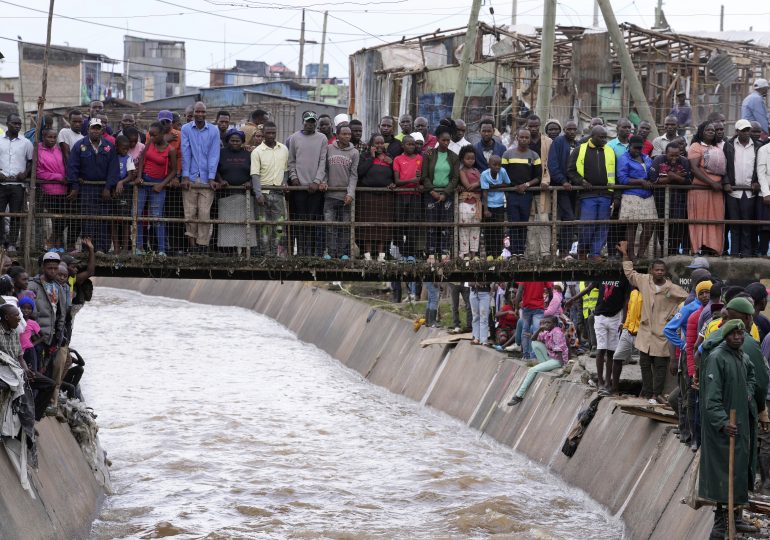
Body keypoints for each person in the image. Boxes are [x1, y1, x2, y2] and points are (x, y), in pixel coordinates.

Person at [698, 319, 757, 538]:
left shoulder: (742, 357)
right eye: (735, 335)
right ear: (726, 336)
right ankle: (721, 525)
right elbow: (711, 400)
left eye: (742, 334)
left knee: (738, 472)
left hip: (739, 426)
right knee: (723, 477)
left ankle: (736, 518)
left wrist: (748, 393)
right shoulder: (717, 358)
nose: (739, 338)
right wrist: (723, 422)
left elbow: (752, 376)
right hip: (723, 431)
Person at [619, 241, 687, 404]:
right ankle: (647, 392)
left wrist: (675, 315)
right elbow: (630, 273)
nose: (659, 272)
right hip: (645, 333)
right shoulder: (644, 281)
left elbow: (687, 298)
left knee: (660, 367)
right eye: (657, 270)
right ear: (652, 271)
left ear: (665, 272)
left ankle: (656, 394)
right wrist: (625, 254)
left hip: (662, 333)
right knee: (644, 365)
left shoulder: (672, 289)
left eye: (662, 270)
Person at [567, 277, 630, 395]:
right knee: (601, 349)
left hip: (616, 317)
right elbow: (589, 288)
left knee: (611, 352)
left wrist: (624, 320)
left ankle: (607, 383)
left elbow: (627, 299)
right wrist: (573, 299)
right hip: (600, 316)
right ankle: (600, 382)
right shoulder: (603, 275)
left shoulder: (623, 278)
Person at [66, 117, 119, 253]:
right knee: (87, 219)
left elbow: (114, 169)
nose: (95, 130)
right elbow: (72, 167)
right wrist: (76, 186)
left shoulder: (109, 146)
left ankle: (102, 248)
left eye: (98, 128)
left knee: (103, 219)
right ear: (88, 129)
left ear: (102, 130)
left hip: (103, 188)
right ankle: (87, 248)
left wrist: (108, 187)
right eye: (93, 128)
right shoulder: (79, 145)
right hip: (86, 188)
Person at [567, 126, 615, 260]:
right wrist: (581, 181)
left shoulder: (610, 151)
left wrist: (615, 195)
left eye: (605, 137)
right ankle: (582, 250)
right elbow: (570, 170)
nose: (604, 140)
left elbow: (614, 173)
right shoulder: (579, 150)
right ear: (592, 136)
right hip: (588, 195)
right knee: (587, 224)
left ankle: (595, 253)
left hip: (606, 194)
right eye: (601, 137)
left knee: (603, 224)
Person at [0, 303, 54, 421]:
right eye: (16, 315)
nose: (20, 318)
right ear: (6, 317)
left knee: (50, 384)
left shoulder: (14, 333)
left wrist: (25, 369)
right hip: (5, 373)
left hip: (17, 371)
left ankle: (34, 418)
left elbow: (20, 357)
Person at [181, 102, 222, 254]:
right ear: (193, 113)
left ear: (206, 113)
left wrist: (211, 177)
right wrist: (185, 176)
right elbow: (185, 152)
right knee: (190, 213)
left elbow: (214, 155)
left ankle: (203, 245)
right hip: (190, 177)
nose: (199, 114)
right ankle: (192, 245)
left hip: (206, 178)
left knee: (204, 213)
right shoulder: (186, 129)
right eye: (197, 111)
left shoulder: (213, 130)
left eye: (202, 112)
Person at [288, 111, 328, 257]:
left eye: (312, 122)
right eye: (307, 121)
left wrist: (317, 181)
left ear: (315, 123)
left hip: (315, 188)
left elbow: (323, 161)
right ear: (303, 122)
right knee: (300, 220)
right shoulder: (294, 138)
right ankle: (301, 251)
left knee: (312, 220)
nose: (310, 124)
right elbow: (291, 160)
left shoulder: (322, 138)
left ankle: (311, 252)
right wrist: (294, 178)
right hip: (299, 187)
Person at [507, 316, 569, 406]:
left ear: (555, 324)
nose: (546, 325)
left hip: (558, 359)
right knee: (534, 343)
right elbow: (533, 338)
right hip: (551, 357)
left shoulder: (557, 332)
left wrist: (562, 365)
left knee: (532, 370)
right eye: (545, 323)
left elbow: (559, 350)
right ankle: (543, 365)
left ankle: (519, 395)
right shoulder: (548, 331)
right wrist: (540, 328)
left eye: (549, 323)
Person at [723, 119, 761, 257]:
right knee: (734, 225)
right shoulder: (728, 145)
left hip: (750, 192)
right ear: (737, 131)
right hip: (733, 191)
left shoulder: (757, 145)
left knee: (747, 224)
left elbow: (760, 167)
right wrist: (726, 182)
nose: (746, 133)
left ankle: (746, 254)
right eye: (743, 130)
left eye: (748, 130)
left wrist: (757, 182)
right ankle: (734, 253)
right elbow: (724, 166)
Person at [687, 121, 726, 256]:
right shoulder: (696, 146)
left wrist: (718, 184)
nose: (711, 132)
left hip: (716, 192)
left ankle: (713, 248)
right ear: (701, 132)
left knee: (715, 218)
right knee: (699, 218)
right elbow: (694, 168)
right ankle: (698, 247)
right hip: (700, 190)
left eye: (713, 130)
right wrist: (711, 183)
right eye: (708, 130)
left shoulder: (719, 147)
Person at [501, 129, 541, 257]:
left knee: (523, 223)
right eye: (521, 137)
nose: (524, 139)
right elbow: (503, 174)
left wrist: (527, 185)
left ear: (529, 139)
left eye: (526, 137)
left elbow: (538, 177)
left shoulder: (534, 155)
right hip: (512, 194)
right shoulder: (507, 154)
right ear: (517, 137)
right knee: (513, 223)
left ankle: (521, 252)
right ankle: (514, 252)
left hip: (526, 195)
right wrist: (513, 187)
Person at [251, 121, 289, 257]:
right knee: (263, 226)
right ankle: (265, 254)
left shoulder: (284, 149)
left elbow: (285, 171)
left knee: (279, 226)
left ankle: (276, 253)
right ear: (264, 134)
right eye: (268, 133)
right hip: (263, 194)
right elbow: (255, 174)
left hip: (278, 194)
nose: (271, 135)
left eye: (273, 133)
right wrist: (258, 194)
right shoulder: (257, 152)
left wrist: (284, 182)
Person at [421, 126, 459, 261]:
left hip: (447, 194)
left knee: (446, 224)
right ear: (437, 139)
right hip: (431, 193)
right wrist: (432, 191)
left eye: (448, 140)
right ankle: (431, 253)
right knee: (431, 223)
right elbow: (424, 176)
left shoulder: (454, 157)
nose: (446, 143)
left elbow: (455, 178)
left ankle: (444, 253)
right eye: (443, 140)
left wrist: (445, 193)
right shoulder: (429, 155)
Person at [214, 129, 254, 252]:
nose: (235, 143)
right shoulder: (221, 153)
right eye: (232, 140)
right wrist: (221, 181)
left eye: (238, 141)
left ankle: (244, 250)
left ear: (242, 142)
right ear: (228, 141)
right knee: (227, 224)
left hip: (244, 195)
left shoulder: (248, 154)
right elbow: (215, 169)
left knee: (244, 224)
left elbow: (255, 171)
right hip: (226, 195)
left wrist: (250, 182)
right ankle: (227, 251)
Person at [323, 124, 358, 259]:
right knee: (330, 226)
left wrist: (350, 193)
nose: (347, 136)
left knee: (345, 227)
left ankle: (343, 253)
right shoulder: (329, 149)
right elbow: (324, 169)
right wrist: (324, 181)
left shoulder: (354, 152)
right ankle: (331, 253)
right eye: (344, 134)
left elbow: (354, 175)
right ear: (337, 135)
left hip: (345, 197)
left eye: (349, 134)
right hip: (330, 195)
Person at [617, 135, 655, 259]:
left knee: (649, 226)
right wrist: (640, 181)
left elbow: (652, 173)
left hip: (648, 195)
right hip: (632, 194)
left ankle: (641, 254)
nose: (638, 150)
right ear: (629, 146)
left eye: (640, 148)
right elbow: (622, 179)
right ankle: (631, 255)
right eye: (635, 148)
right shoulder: (624, 159)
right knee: (632, 226)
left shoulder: (646, 158)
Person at [650, 141, 691, 256]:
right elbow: (653, 180)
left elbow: (688, 181)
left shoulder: (684, 161)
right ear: (665, 153)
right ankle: (664, 249)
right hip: (660, 198)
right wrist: (673, 176)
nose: (674, 158)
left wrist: (673, 177)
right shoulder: (658, 160)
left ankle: (674, 250)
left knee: (677, 225)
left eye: (677, 155)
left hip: (679, 199)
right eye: (671, 155)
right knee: (661, 225)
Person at [357, 134, 394, 261]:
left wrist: (392, 164)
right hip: (367, 197)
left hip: (385, 198)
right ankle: (367, 254)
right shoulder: (364, 156)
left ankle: (381, 255)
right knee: (368, 226)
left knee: (383, 226)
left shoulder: (389, 158)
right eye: (376, 143)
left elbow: (396, 174)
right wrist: (371, 158)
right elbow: (360, 172)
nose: (379, 145)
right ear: (371, 144)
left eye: (381, 143)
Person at [0, 113, 33, 252]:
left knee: (16, 215)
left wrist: (25, 173)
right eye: (15, 123)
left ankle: (12, 243)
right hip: (1, 185)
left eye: (19, 124)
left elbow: (32, 161)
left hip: (18, 186)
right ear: (7, 123)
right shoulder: (0, 140)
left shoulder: (26, 142)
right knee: (0, 214)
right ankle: (1, 242)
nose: (18, 126)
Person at [548, 120, 579, 257]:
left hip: (575, 187)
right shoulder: (559, 142)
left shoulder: (577, 144)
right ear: (564, 130)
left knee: (572, 218)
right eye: (569, 129)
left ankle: (566, 250)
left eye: (574, 129)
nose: (571, 132)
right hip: (561, 187)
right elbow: (553, 164)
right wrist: (562, 181)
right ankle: (563, 250)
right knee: (568, 217)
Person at [391, 134, 423, 262]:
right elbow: (397, 181)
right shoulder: (398, 159)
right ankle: (402, 252)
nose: (411, 146)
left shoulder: (420, 158)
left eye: (413, 144)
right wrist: (413, 180)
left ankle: (411, 253)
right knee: (400, 223)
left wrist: (419, 183)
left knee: (412, 224)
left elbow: (423, 178)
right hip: (401, 195)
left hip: (415, 195)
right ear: (402, 145)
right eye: (408, 144)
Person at [36, 127, 68, 251]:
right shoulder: (38, 151)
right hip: (49, 190)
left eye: (55, 137)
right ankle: (54, 244)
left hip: (64, 190)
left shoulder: (58, 149)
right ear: (43, 137)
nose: (52, 140)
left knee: (62, 219)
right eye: (50, 137)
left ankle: (54, 241)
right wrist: (58, 177)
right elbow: (39, 172)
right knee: (56, 218)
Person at [481, 155, 510, 258]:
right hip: (488, 205)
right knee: (488, 230)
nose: (497, 167)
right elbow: (485, 192)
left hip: (500, 204)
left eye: (499, 165)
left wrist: (493, 186)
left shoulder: (503, 171)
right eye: (494, 164)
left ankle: (498, 254)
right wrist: (486, 209)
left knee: (499, 230)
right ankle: (489, 254)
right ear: (489, 164)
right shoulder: (484, 174)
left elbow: (507, 184)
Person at [515, 281, 553, 360]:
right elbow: (550, 290)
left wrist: (516, 307)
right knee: (537, 330)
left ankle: (525, 355)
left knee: (525, 330)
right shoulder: (543, 273)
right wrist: (549, 303)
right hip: (539, 307)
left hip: (527, 306)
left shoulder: (524, 273)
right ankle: (534, 356)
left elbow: (520, 290)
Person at [111, 135, 136, 255]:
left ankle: (125, 247)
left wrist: (121, 182)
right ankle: (116, 247)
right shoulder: (112, 157)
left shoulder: (128, 158)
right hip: (113, 191)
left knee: (125, 220)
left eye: (127, 149)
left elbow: (131, 175)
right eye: (123, 148)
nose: (125, 151)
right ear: (117, 147)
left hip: (125, 192)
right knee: (113, 220)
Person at [457, 145, 481, 259]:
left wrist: (480, 183)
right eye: (468, 158)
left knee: (476, 228)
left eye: (473, 158)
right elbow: (468, 186)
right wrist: (479, 183)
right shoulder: (461, 171)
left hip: (477, 204)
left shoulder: (477, 170)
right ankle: (465, 253)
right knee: (464, 228)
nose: (471, 160)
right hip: (465, 204)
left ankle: (474, 253)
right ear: (462, 159)